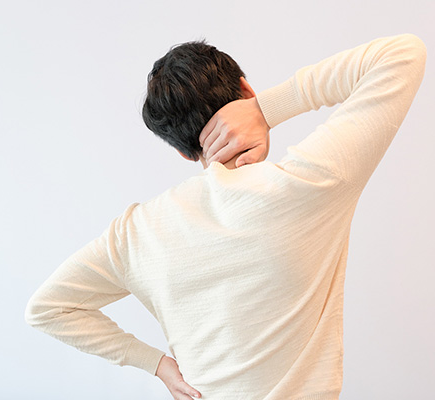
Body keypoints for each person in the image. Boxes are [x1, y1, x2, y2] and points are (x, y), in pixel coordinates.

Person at [25, 33, 426, 400]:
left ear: (183, 151)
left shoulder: (137, 231)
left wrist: (158, 365)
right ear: (246, 91)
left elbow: (47, 308)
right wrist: (266, 109)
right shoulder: (307, 183)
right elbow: (402, 54)